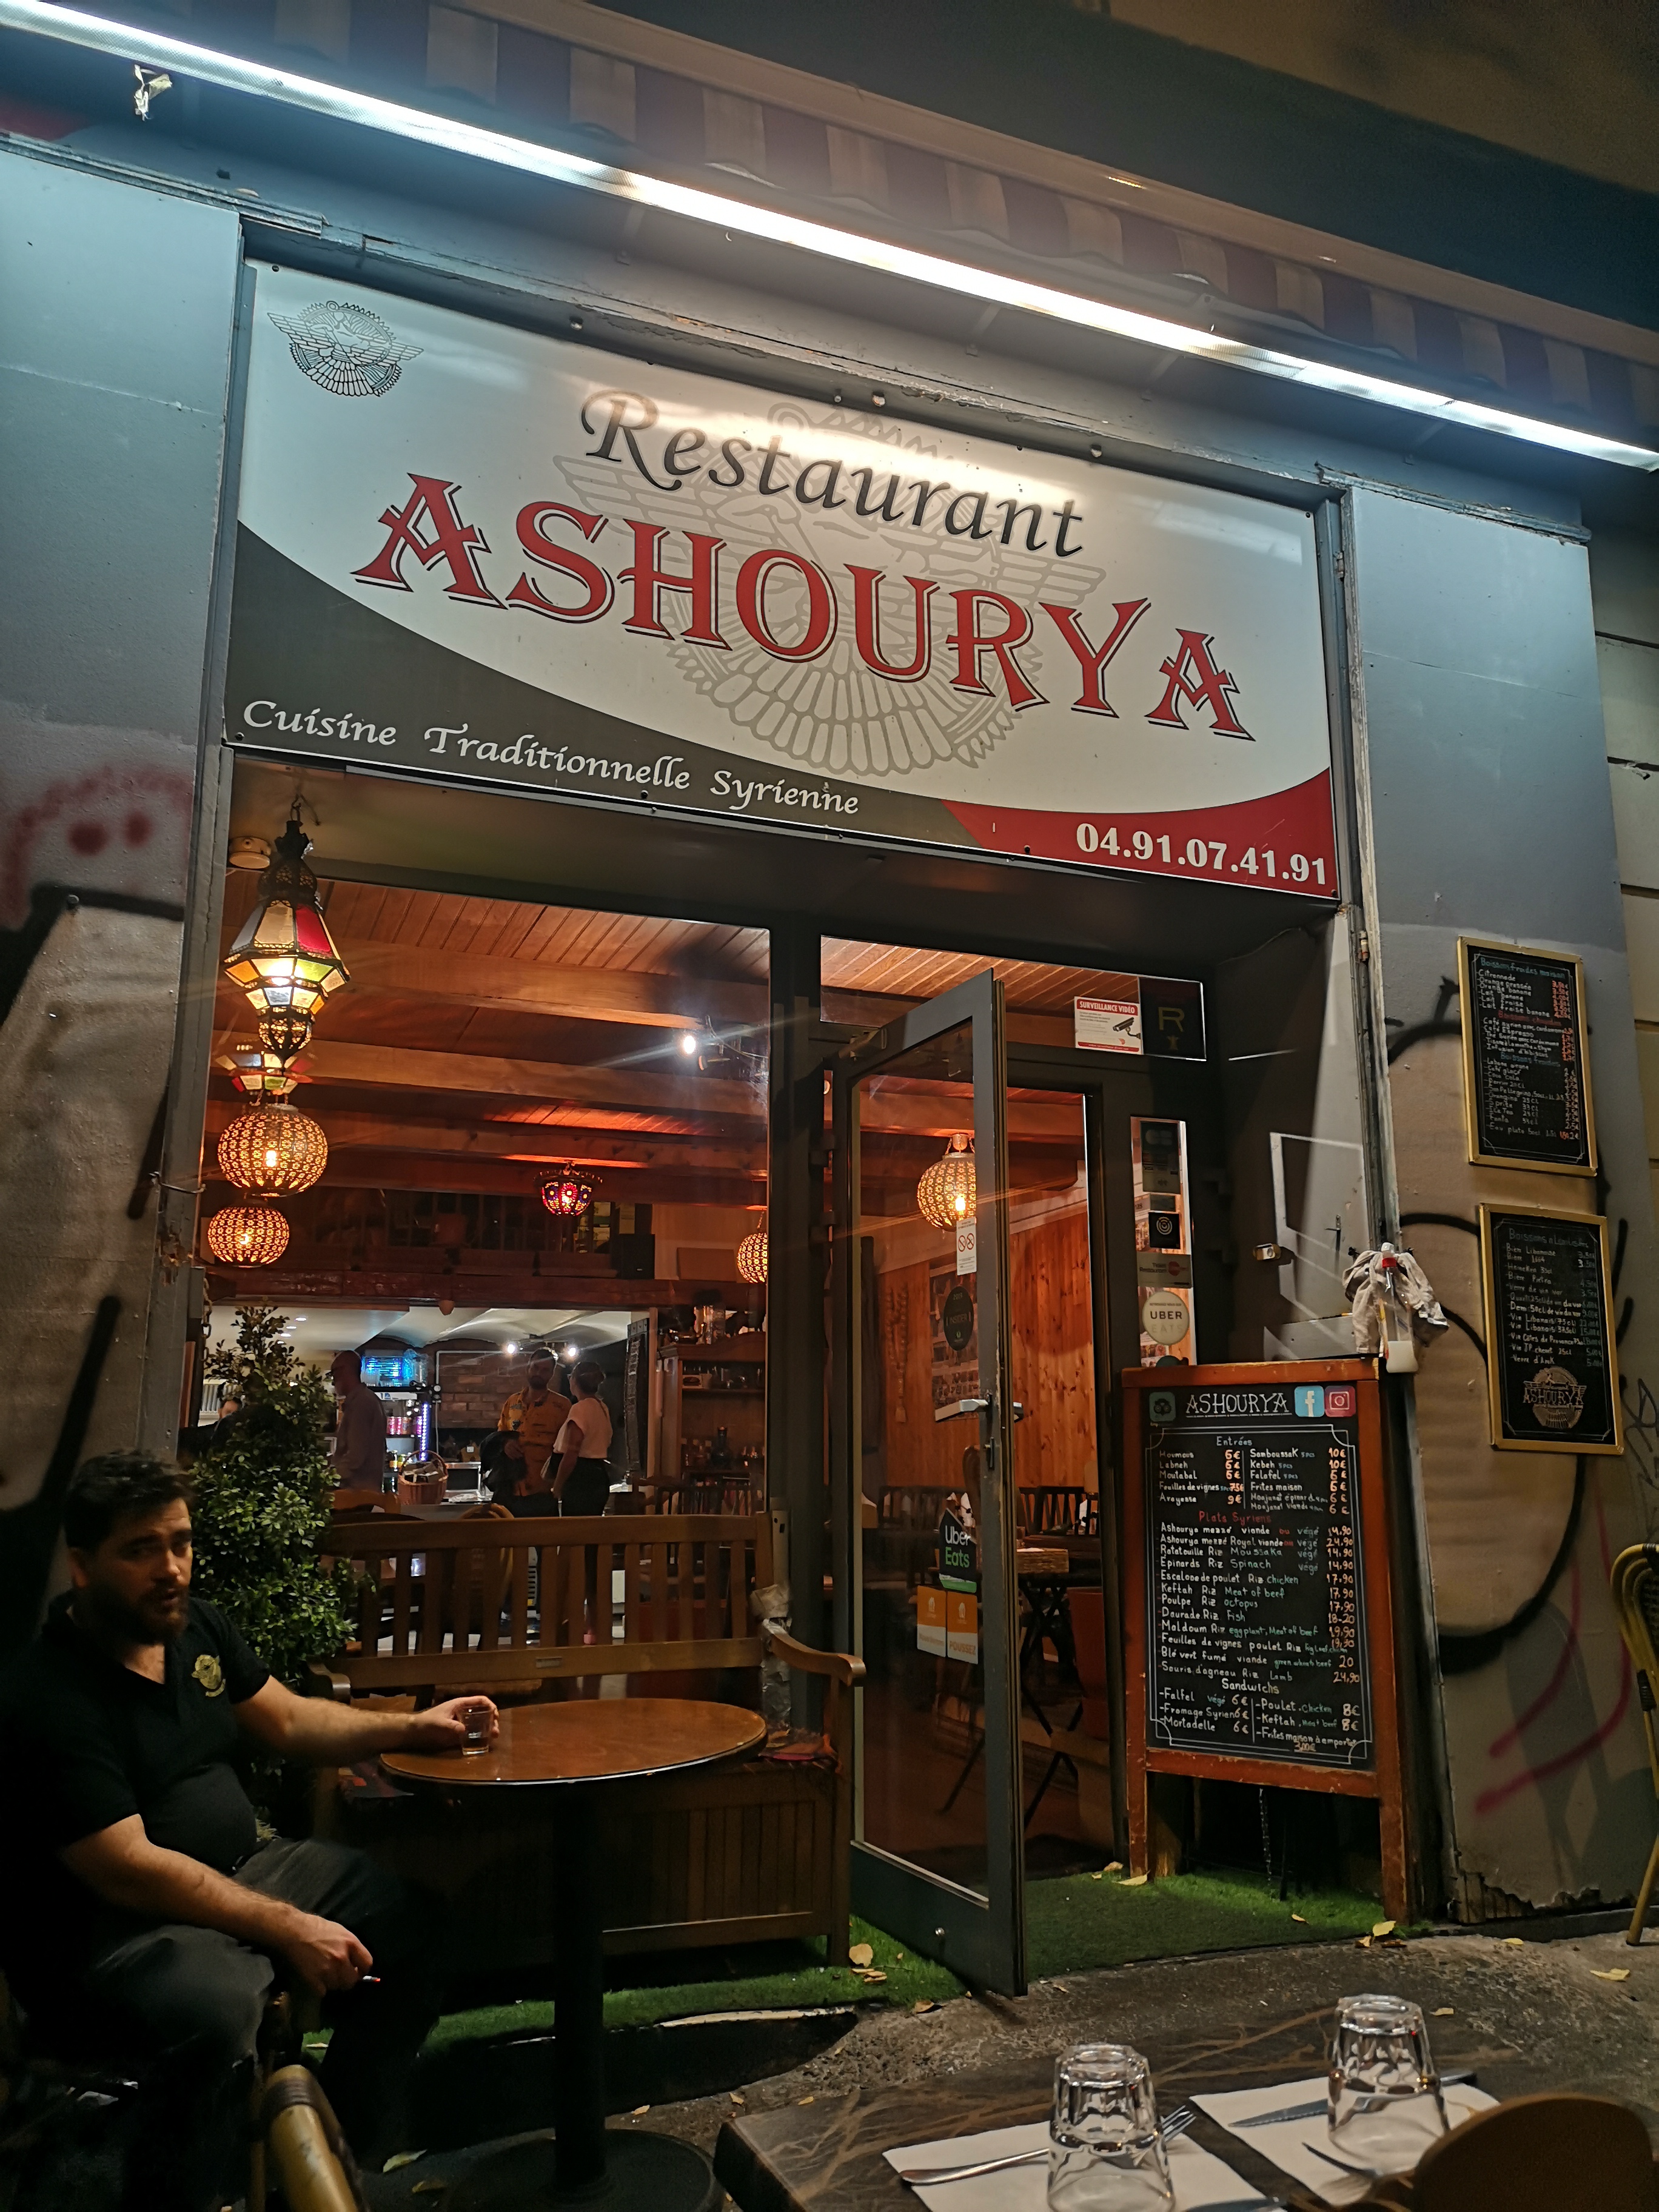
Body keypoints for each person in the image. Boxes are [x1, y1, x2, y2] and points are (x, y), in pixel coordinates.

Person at [0, 1452, 497, 2210]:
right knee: (219, 2016)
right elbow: (127, 1866)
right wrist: (290, 1926)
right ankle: (182, 2195)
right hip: (113, 1933)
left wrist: (411, 1726)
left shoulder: (195, 1628)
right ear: (82, 1566)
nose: (171, 1568)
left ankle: (331, 2166)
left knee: (419, 1928)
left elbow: (289, 1719)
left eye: (180, 1543)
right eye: (141, 1550)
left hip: (243, 1869)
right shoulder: (48, 1693)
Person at [495, 1350, 571, 1516]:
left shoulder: (562, 1406)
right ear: (528, 1367)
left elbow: (568, 1448)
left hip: (543, 1489)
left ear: (552, 1374)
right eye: (535, 1368)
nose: (538, 1373)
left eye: (545, 1370)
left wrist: (559, 1486)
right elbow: (501, 1434)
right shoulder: (512, 1402)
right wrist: (506, 1444)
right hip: (511, 1486)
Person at [551, 1360, 614, 1516]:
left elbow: (572, 1451)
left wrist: (558, 1485)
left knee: (575, 1527)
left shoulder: (580, 1408)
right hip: (599, 1475)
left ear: (575, 1380)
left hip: (580, 1479)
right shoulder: (602, 1407)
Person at [329, 1347, 388, 1490]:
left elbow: (355, 1457)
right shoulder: (367, 1399)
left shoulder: (361, 1403)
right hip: (365, 1490)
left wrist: (328, 1476)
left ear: (345, 1371)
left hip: (357, 1493)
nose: (333, 1382)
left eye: (333, 1374)